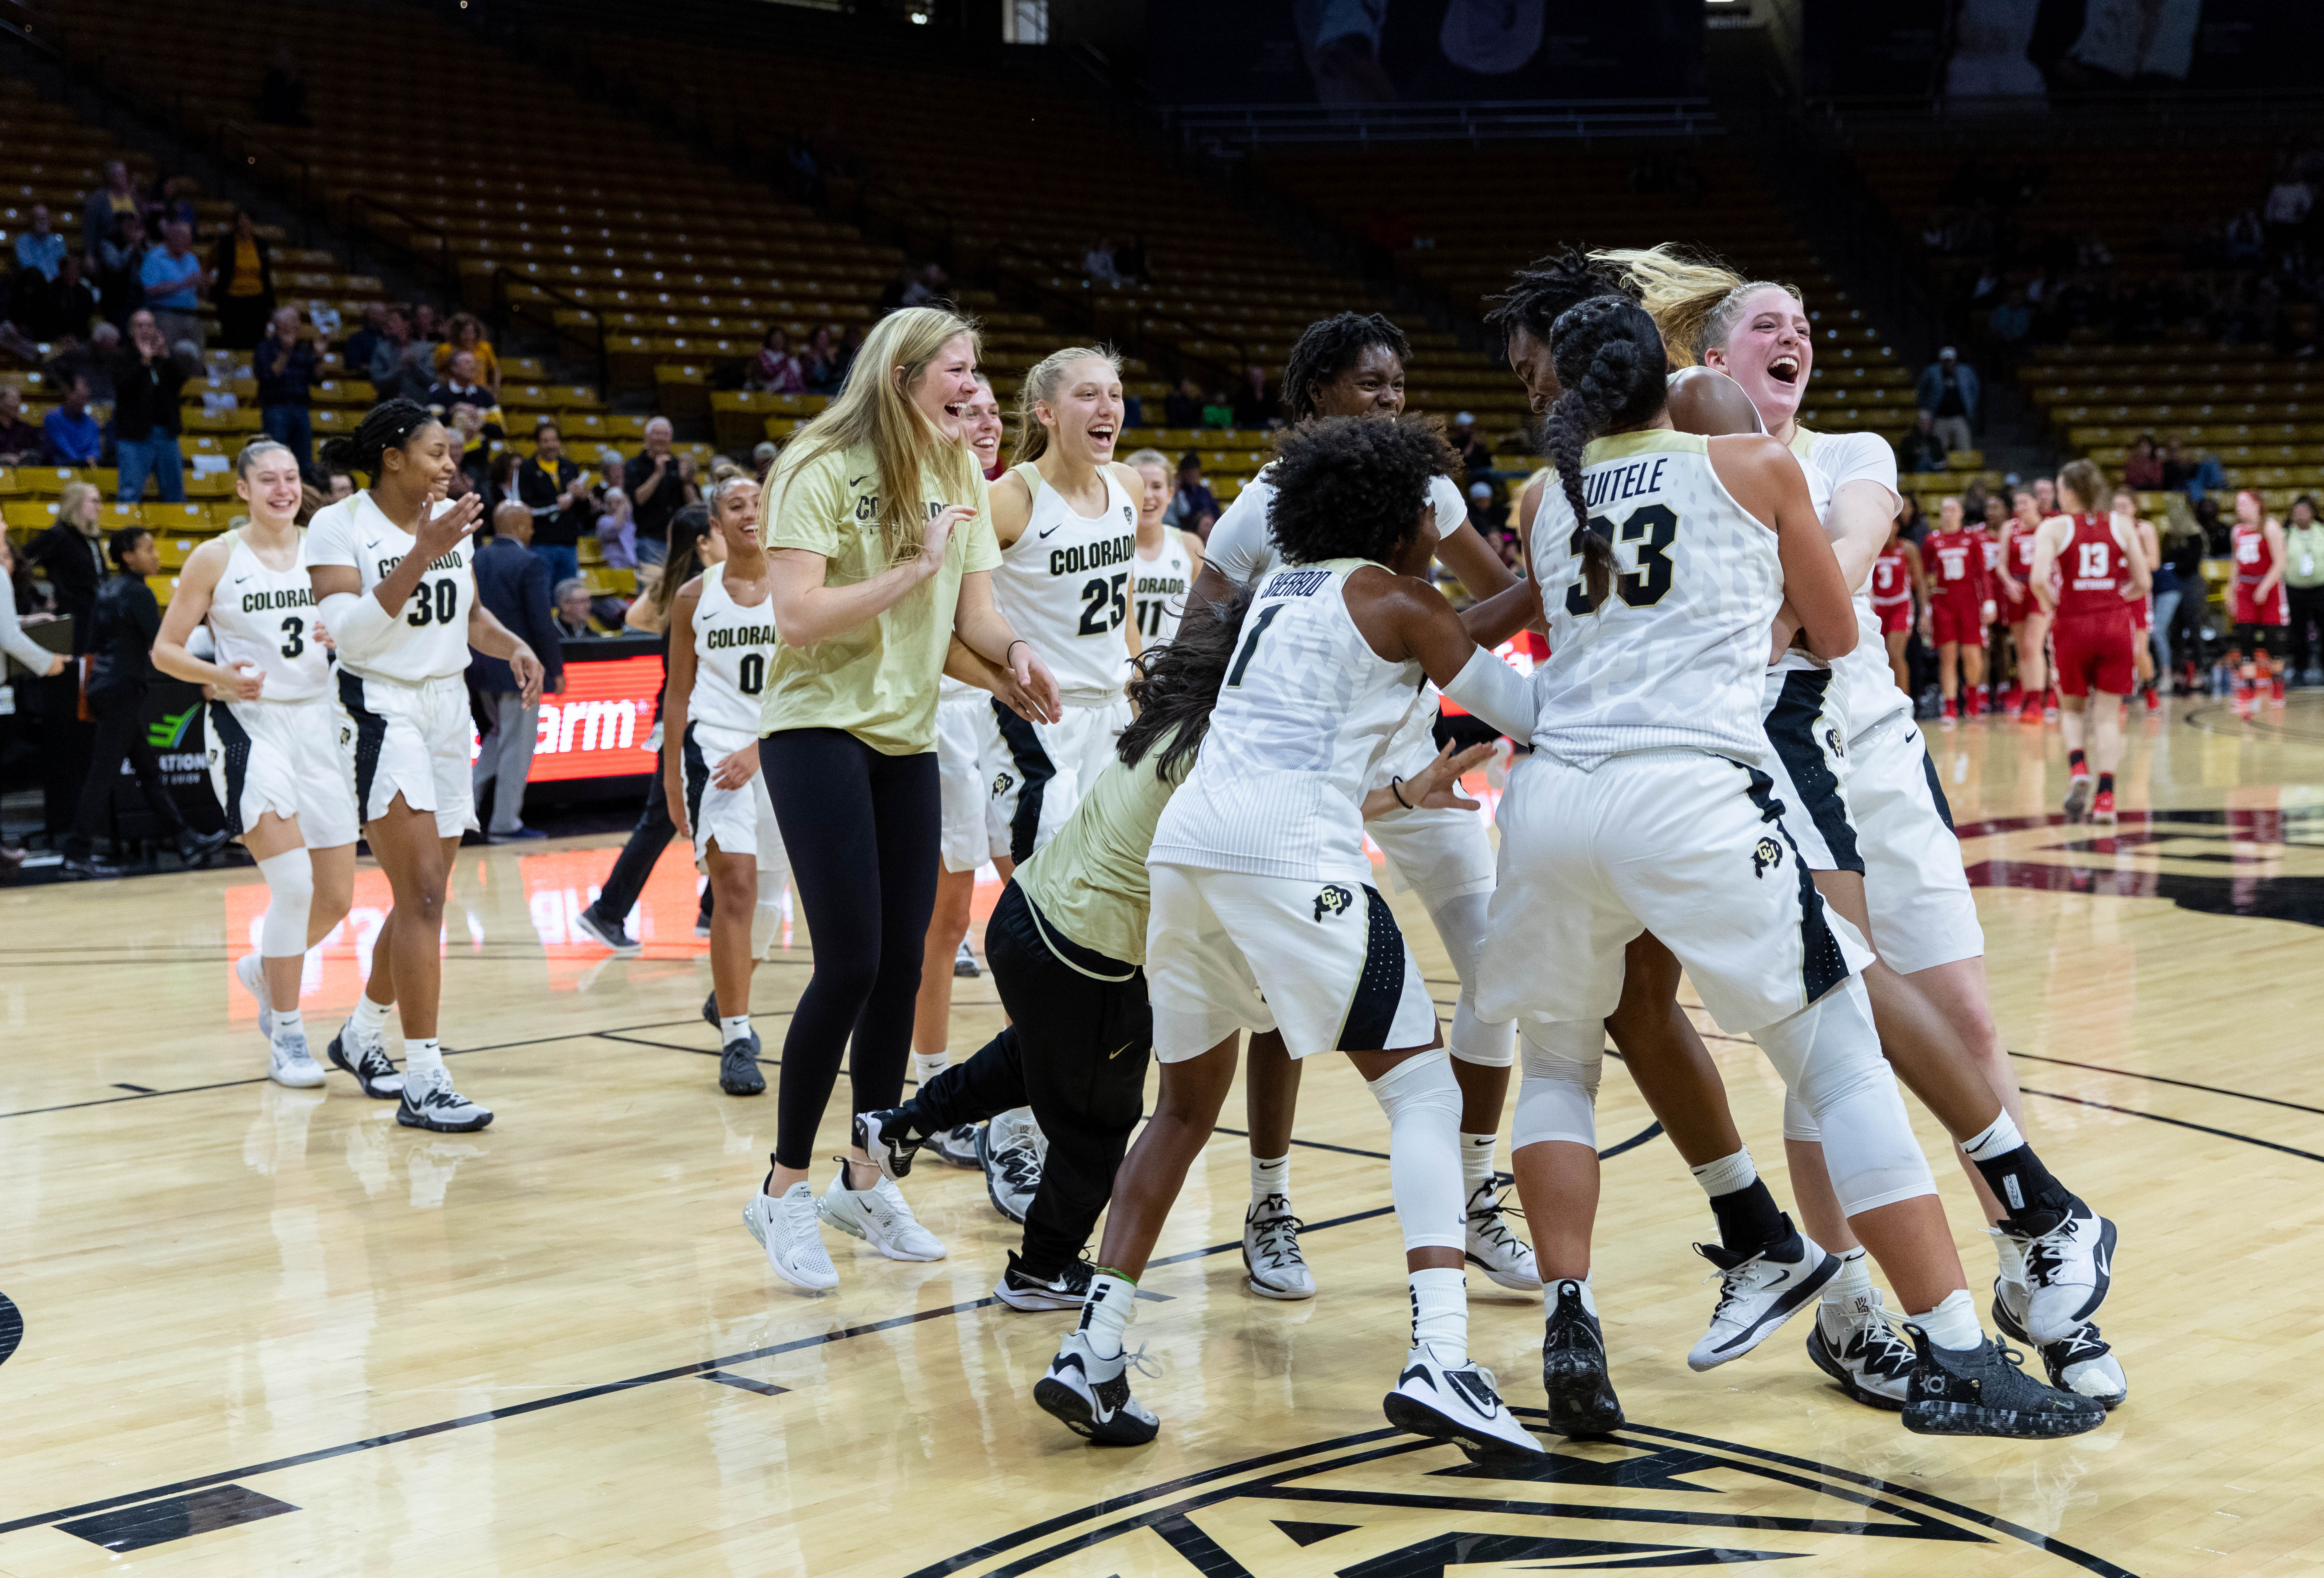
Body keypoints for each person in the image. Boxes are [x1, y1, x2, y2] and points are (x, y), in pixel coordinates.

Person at [1483, 291, 2103, 1442]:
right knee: (1844, 1058)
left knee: (1562, 1058)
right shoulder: (1750, 463)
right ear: (1668, 373)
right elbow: (1839, 630)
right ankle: (1961, 1354)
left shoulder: (1539, 499)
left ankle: (1572, 1316)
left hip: (1551, 799)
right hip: (1687, 791)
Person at [1038, 413, 1546, 1454]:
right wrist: (1562, 595)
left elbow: (1452, 630)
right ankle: (1441, 1354)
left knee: (1181, 1107)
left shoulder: (1282, 589)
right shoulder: (1398, 599)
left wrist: (1525, 593)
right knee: (1424, 1088)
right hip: (1290, 849)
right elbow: (1517, 704)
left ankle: (1094, 1346)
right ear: (1404, 518)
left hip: (1188, 850)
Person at [1190, 309, 1535, 1301]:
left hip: (1420, 759)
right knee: (1273, 1002)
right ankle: (1267, 1199)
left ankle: (1473, 1192)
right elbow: (1200, 633)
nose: (1389, 397)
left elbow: (1482, 597)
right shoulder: (1262, 506)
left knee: (1495, 971)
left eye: (1397, 382)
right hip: (1307, 780)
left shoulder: (1424, 484)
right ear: (1316, 396)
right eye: (1369, 383)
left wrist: (1433, 638)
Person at [740, 305, 1059, 1294]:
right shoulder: (818, 464)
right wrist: (911, 565)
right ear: (903, 373)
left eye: (974, 369)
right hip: (813, 728)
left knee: (898, 963)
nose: (972, 386)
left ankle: (863, 1177)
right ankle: (783, 1187)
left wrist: (1010, 658)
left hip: (905, 732)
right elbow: (796, 618)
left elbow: (974, 611)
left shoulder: (957, 467)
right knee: (848, 961)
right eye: (955, 369)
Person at [863, 596, 1266, 1310]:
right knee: (1099, 1120)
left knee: (1043, 1056)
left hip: (1028, 915)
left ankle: (901, 1125)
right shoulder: (1228, 748)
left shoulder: (1181, 714)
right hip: (1083, 951)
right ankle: (1041, 1267)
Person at [308, 399, 545, 1132]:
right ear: (392, 458)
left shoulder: (449, 527)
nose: (450, 465)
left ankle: (360, 1031)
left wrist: (513, 646)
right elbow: (349, 632)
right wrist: (421, 549)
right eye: (438, 452)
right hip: (379, 707)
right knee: (425, 899)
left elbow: (467, 616)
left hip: (447, 708)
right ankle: (425, 1077)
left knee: (426, 894)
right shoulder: (339, 525)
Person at [957, 348, 1147, 1220]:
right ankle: (1015, 1131)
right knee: (1052, 944)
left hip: (1112, 723)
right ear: (1044, 411)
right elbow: (949, 618)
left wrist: (1142, 676)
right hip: (1040, 731)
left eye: (1114, 393)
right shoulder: (1011, 500)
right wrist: (1003, 670)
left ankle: (1033, 1112)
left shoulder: (1119, 492)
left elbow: (1125, 608)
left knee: (1107, 941)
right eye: (1087, 393)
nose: (1107, 406)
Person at [151, 439, 356, 1086]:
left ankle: (265, 971)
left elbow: (362, 626)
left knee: (337, 898)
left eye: (291, 477)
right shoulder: (215, 556)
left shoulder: (328, 547)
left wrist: (342, 631)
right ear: (243, 488)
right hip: (249, 725)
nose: (282, 488)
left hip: (320, 724)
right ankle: (289, 1036)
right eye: (267, 478)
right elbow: (164, 650)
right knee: (293, 886)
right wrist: (217, 673)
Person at [910, 372, 1012, 1169]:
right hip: (944, 714)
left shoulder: (1018, 501)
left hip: (1012, 723)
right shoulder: (933, 503)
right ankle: (935, 1088)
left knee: (1045, 908)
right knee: (946, 924)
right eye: (964, 409)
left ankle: (1035, 1075)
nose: (983, 420)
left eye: (991, 411)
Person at [664, 472, 792, 1095]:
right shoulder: (695, 596)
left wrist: (760, 749)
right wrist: (669, 773)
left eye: (759, 503)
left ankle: (729, 991)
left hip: (781, 748)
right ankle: (738, 1034)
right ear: (716, 523)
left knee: (771, 899)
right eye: (736, 506)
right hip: (714, 748)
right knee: (735, 885)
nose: (750, 513)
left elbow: (811, 686)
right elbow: (678, 691)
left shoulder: (800, 586)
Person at [571, 508, 719, 954]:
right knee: (662, 820)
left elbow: (635, 617)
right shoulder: (699, 593)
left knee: (724, 812)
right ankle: (607, 911)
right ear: (703, 541)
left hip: (697, 716)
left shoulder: (683, 588)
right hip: (689, 717)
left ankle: (713, 912)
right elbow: (637, 619)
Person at [60, 526, 234, 878]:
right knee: (103, 774)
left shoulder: (107, 590)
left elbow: (94, 643)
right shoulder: (138, 593)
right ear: (128, 556)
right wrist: (205, 675)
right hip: (122, 690)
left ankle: (185, 840)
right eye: (148, 549)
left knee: (148, 770)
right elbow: (163, 645)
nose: (156, 555)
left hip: (105, 687)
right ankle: (77, 851)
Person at [2031, 461, 2149, 825]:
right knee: (2108, 717)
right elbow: (2143, 582)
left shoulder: (2054, 527)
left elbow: (2037, 580)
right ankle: (2106, 800)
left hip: (2073, 622)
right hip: (2115, 622)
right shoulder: (2122, 523)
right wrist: (2114, 597)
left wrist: (2055, 605)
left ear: (2069, 492)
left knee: (2072, 708)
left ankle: (2079, 766)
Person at [469, 500, 566, 843]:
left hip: (479, 668)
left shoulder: (475, 558)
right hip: (519, 669)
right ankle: (505, 823)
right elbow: (542, 622)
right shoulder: (529, 562)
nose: (533, 530)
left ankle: (464, 808)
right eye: (530, 524)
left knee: (497, 738)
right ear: (523, 526)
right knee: (518, 746)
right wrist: (554, 669)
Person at [107, 313, 192, 505]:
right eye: (140, 326)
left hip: (167, 434)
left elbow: (181, 381)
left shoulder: (163, 357)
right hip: (134, 437)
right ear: (131, 330)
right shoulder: (122, 356)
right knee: (130, 493)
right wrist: (144, 362)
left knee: (175, 494)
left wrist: (167, 356)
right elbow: (124, 388)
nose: (145, 330)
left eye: (149, 325)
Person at [1923, 497, 1992, 726]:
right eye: (1944, 510)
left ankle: (1972, 698)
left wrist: (1989, 602)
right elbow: (1925, 577)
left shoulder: (1972, 539)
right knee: (1948, 656)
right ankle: (1950, 706)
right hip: (1944, 603)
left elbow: (1982, 572)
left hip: (1969, 603)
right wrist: (1926, 608)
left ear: (1961, 512)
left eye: (1952, 509)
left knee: (1972, 654)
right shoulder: (1933, 541)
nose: (1948, 514)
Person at [1127, 447, 1202, 645]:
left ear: (1170, 494)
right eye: (1140, 486)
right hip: (1122, 670)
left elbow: (1202, 619)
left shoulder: (1190, 546)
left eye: (1157, 486)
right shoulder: (1109, 547)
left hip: (1174, 669)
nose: (1148, 496)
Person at [2228, 489, 2289, 703]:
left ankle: (2278, 683)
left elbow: (2281, 562)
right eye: (2238, 504)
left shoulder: (2270, 527)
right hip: (2245, 588)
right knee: (2245, 636)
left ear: (2257, 505)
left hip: (2269, 587)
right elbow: (2236, 563)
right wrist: (2231, 591)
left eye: (2244, 503)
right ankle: (2248, 687)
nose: (2239, 508)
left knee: (2273, 639)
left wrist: (2264, 587)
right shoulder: (2237, 531)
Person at [518, 420, 594, 589]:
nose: (551, 445)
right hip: (541, 543)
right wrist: (556, 504)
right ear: (537, 444)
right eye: (546, 441)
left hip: (569, 543)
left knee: (569, 597)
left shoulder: (570, 467)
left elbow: (583, 512)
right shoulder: (527, 469)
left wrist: (583, 498)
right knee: (543, 596)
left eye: (554, 440)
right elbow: (526, 507)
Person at [1998, 487, 2052, 721]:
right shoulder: (2009, 528)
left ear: (2036, 503)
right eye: (2017, 504)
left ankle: (2037, 702)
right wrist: (2009, 582)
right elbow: (2000, 565)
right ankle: (2031, 697)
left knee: (2033, 645)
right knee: (2022, 650)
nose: (2020, 508)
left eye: (2024, 503)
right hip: (2017, 590)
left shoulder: (2048, 527)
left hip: (2040, 589)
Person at [254, 307, 319, 480]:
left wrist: (319, 357)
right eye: (292, 320)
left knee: (304, 461)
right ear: (279, 325)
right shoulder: (265, 348)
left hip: (301, 408)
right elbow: (270, 375)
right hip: (276, 408)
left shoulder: (304, 348)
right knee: (276, 458)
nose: (297, 324)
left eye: (297, 320)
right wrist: (286, 351)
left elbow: (317, 379)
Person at [625, 417, 697, 565]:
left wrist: (687, 482)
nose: (661, 438)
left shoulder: (679, 465)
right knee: (652, 588)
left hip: (679, 541)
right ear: (647, 438)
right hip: (649, 540)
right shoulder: (635, 465)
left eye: (665, 434)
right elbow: (638, 499)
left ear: (671, 439)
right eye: (657, 434)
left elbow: (695, 506)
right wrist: (658, 474)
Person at [1869, 518, 1927, 695]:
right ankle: (1883, 699)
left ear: (1897, 527)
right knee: (1878, 658)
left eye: (1891, 524)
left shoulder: (1908, 549)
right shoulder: (1872, 548)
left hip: (1900, 606)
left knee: (1894, 653)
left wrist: (1926, 613)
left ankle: (1905, 702)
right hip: (1877, 607)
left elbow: (1921, 583)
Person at [210, 210, 275, 350]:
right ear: (235, 224)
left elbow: (266, 274)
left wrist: (271, 302)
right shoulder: (225, 243)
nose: (244, 224)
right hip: (232, 300)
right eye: (241, 221)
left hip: (257, 300)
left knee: (257, 339)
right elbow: (210, 264)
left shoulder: (261, 244)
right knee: (234, 338)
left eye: (247, 221)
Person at [139, 222, 210, 349]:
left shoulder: (192, 259)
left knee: (195, 357)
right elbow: (149, 290)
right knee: (167, 358)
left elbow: (201, 293)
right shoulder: (155, 257)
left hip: (191, 315)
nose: (186, 240)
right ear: (171, 237)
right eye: (182, 236)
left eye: (188, 237)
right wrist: (181, 285)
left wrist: (204, 285)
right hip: (165, 315)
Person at [2282, 495, 2324, 684]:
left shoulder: (2322, 532)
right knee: (2297, 633)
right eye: (2296, 513)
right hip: (2295, 590)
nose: (2300, 516)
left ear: (2313, 513)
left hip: (2321, 590)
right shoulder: (2287, 534)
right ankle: (2300, 671)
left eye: (2304, 511)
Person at [1915, 346, 1978, 455]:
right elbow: (1922, 390)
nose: (1948, 363)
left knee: (1965, 448)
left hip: (1959, 417)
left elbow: (1975, 388)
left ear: (1955, 360)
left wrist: (1971, 405)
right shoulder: (1932, 372)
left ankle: (1965, 470)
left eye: (1951, 360)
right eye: (1946, 361)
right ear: (1941, 361)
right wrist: (1926, 409)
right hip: (1940, 418)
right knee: (1939, 451)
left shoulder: (1965, 371)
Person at [369, 308, 432, 405]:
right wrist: (398, 369)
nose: (389, 324)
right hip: (389, 407)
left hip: (418, 407)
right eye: (388, 322)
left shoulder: (425, 349)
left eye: (394, 321)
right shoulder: (382, 350)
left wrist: (416, 367)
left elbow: (431, 380)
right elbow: (377, 381)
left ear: (406, 323)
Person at [82, 161, 141, 263]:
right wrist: (89, 254)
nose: (125, 177)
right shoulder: (99, 199)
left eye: (125, 174)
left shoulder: (132, 198)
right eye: (120, 174)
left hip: (132, 243)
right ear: (111, 177)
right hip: (109, 244)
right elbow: (90, 227)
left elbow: (140, 223)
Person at [432, 312, 501, 399]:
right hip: (453, 397)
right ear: (457, 333)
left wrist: (496, 390)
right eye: (465, 333)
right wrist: (451, 358)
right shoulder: (445, 350)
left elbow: (495, 370)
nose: (469, 337)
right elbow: (437, 372)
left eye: (471, 332)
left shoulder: (484, 348)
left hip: (480, 396)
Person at [39, 375, 102, 466]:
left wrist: (91, 459)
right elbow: (65, 450)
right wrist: (84, 462)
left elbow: (95, 451)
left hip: (87, 470)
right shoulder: (52, 419)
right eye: (79, 398)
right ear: (68, 393)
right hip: (58, 470)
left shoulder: (92, 424)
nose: (82, 403)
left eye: (85, 399)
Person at [426, 349, 492, 421]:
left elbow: (499, 428)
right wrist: (452, 412)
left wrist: (481, 423)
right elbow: (429, 425)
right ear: (454, 368)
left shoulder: (482, 393)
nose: (473, 367)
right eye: (467, 363)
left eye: (474, 363)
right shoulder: (439, 394)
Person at [1162, 451, 1218, 535]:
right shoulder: (1179, 493)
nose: (1193, 475)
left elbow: (1217, 512)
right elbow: (1183, 514)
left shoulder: (1205, 492)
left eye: (1195, 472)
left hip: (1211, 531)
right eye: (1190, 472)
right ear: (1183, 473)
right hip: (1188, 532)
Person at [748, 328, 805, 394]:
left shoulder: (790, 359)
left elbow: (798, 377)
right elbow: (767, 373)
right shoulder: (763, 357)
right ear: (769, 340)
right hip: (767, 392)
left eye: (781, 338)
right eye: (775, 338)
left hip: (788, 392)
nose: (778, 340)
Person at [1446, 409, 1493, 481]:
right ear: (1460, 427)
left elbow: (1486, 458)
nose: (1470, 429)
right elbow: (1466, 456)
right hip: (1470, 472)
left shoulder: (1476, 441)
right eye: (1467, 426)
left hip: (1482, 470)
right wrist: (1472, 440)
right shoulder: (1454, 443)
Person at [1896, 409, 1947, 474]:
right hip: (1914, 475)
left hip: (1934, 475)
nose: (1924, 426)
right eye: (1922, 423)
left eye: (1927, 423)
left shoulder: (1936, 441)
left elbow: (1942, 460)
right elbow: (1904, 461)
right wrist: (1914, 453)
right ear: (1917, 423)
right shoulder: (1908, 441)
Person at [0, 386, 41, 464]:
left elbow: (40, 451)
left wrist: (26, 454)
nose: (18, 404)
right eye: (13, 400)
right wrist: (2, 458)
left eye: (19, 400)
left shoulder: (26, 429)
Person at [1231, 363, 1278, 430]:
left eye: (1259, 377)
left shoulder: (1271, 393)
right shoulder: (1243, 393)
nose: (1257, 379)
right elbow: (1239, 414)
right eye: (1255, 377)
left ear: (1264, 377)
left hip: (1268, 426)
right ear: (1251, 378)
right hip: (1248, 426)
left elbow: (1277, 412)